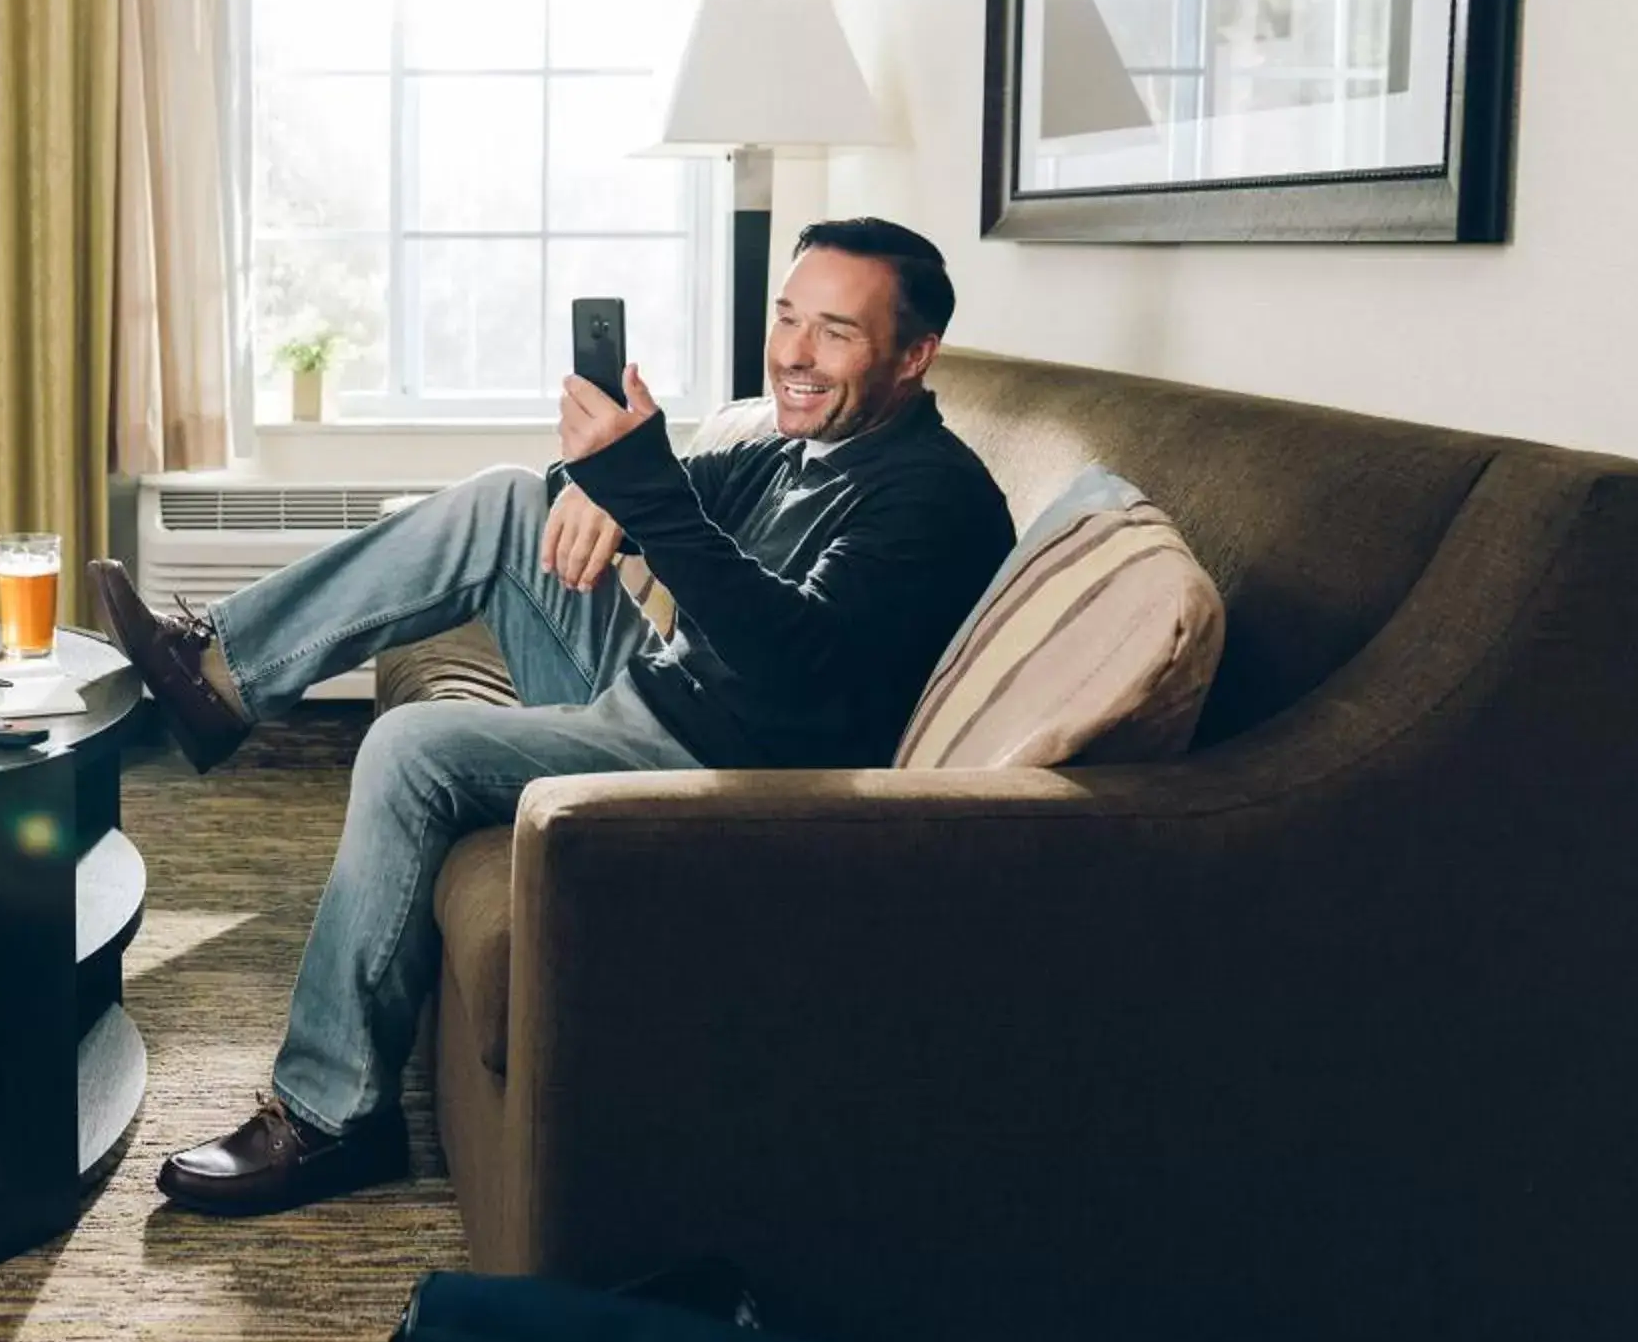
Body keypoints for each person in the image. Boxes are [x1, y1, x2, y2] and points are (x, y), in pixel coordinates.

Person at [88, 218, 1015, 1217]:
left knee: (408, 748)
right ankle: (215, 675)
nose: (792, 351)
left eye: (834, 331)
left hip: (735, 775)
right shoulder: (802, 449)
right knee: (505, 504)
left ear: (915, 354)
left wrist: (645, 492)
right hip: (668, 691)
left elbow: (796, 664)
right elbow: (642, 503)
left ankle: (331, 1117)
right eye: (788, 317)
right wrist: (604, 478)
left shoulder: (934, 499)